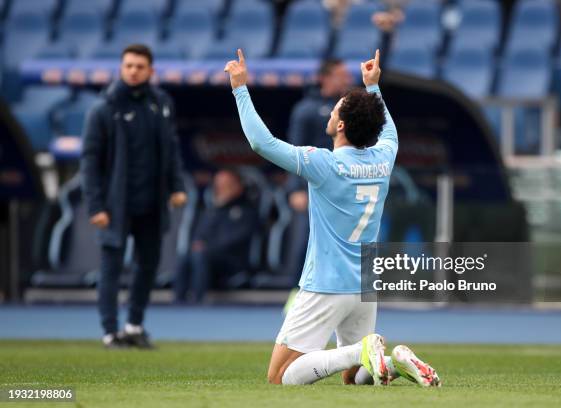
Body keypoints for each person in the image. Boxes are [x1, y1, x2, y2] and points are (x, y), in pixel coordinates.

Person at [224, 49, 440, 386]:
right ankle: (393, 362)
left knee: (279, 377)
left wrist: (239, 88)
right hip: (366, 283)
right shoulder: (384, 157)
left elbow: (260, 142)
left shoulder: (324, 164)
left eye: (336, 108)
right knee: (354, 380)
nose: (331, 110)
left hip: (326, 283)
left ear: (339, 124)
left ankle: (361, 351)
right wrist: (373, 87)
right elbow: (389, 130)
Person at [81, 44, 187, 349]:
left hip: (151, 202)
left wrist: (176, 186)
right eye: (128, 65)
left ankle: (134, 325)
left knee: (148, 265)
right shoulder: (104, 108)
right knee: (111, 268)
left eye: (140, 66)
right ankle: (110, 331)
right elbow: (89, 162)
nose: (133, 71)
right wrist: (96, 205)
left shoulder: (162, 104)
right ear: (121, 68)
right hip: (116, 204)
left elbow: (171, 149)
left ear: (151, 71)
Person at [285, 59, 352, 284]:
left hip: (343, 187)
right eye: (340, 74)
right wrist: (296, 189)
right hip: (313, 187)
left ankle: (345, 288)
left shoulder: (350, 106)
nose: (346, 79)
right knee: (305, 240)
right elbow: (295, 150)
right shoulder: (305, 109)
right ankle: (296, 292)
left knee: (347, 240)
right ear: (324, 77)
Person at [174, 169, 258, 303]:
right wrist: (198, 244)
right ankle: (178, 301)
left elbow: (237, 240)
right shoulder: (212, 210)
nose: (222, 189)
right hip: (207, 260)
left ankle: (198, 301)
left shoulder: (246, 211)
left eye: (227, 184)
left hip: (232, 263)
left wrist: (207, 247)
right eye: (218, 185)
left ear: (239, 186)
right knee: (185, 257)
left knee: (199, 255)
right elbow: (198, 235)